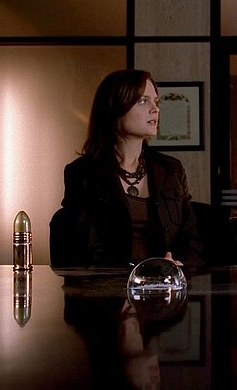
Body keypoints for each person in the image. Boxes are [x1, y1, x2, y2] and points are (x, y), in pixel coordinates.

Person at [50, 69, 202, 267]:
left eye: (156, 102)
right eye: (143, 101)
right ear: (115, 108)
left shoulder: (171, 169)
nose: (155, 109)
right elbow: (82, 248)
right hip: (110, 283)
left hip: (164, 282)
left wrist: (177, 265)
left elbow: (192, 240)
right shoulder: (83, 173)